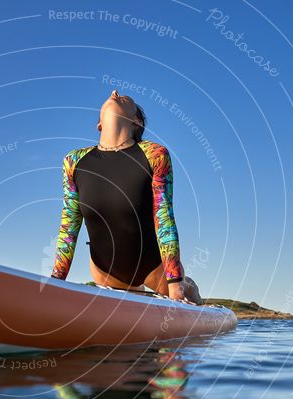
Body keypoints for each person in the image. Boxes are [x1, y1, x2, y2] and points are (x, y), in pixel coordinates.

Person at [50, 90, 203, 304]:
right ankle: (133, 295)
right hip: (106, 271)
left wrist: (175, 283)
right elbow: (69, 225)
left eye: (125, 99)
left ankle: (196, 299)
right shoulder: (73, 161)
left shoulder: (154, 155)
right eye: (113, 95)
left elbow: (164, 217)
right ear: (99, 125)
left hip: (153, 268)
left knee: (189, 292)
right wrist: (57, 280)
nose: (114, 92)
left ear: (136, 121)